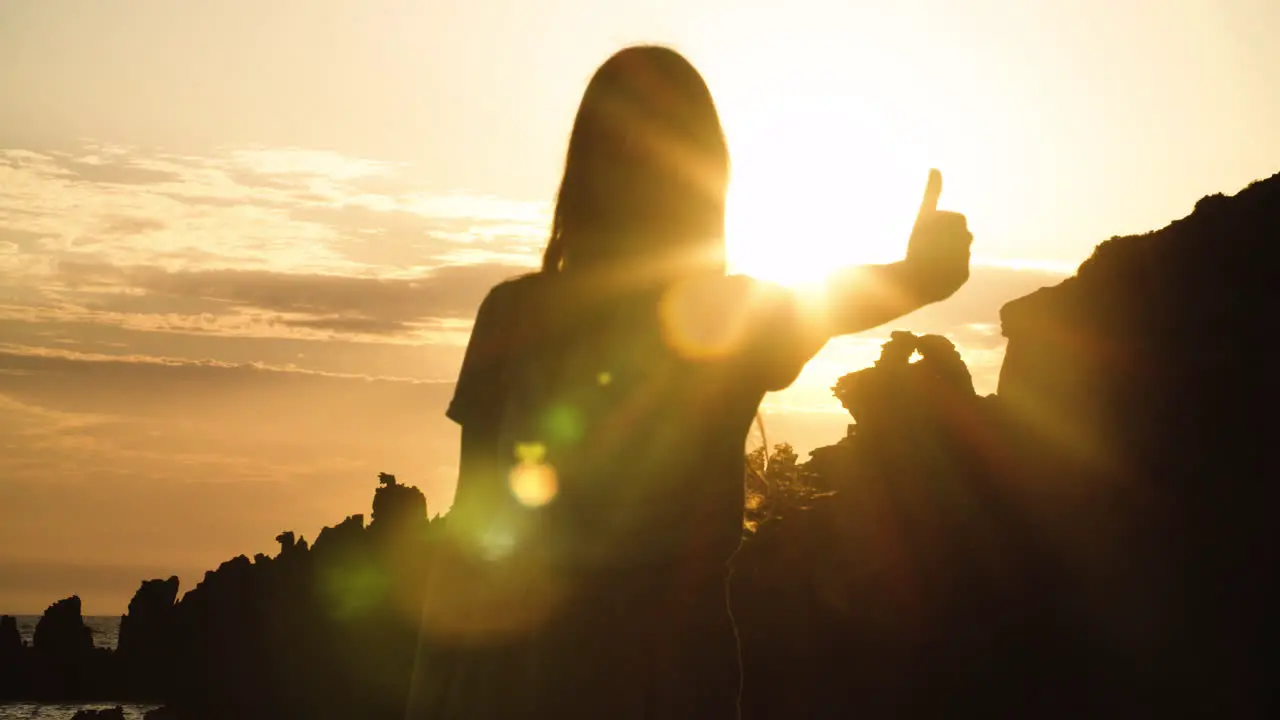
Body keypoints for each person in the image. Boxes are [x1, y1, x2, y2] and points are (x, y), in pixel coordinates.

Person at [407, 44, 972, 719]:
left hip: (543, 679)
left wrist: (430, 696)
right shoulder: (721, 316)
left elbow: (469, 540)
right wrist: (923, 270)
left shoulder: (522, 314)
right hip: (658, 676)